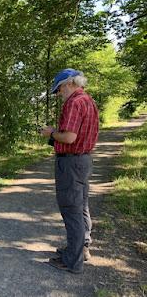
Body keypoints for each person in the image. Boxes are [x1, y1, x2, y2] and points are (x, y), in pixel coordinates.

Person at [40, 68, 99, 274]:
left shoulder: (74, 102)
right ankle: (81, 249)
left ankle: (71, 261)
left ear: (70, 83)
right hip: (84, 160)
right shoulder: (89, 101)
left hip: (71, 164)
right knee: (81, 206)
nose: (59, 94)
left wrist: (51, 132)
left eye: (59, 89)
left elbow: (69, 137)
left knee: (71, 210)